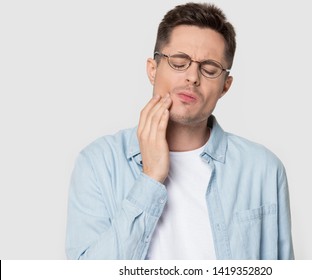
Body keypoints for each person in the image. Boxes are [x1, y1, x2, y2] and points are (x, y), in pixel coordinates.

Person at [66, 2, 294, 260]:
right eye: (178, 62)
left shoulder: (263, 169)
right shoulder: (98, 163)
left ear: (225, 86)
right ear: (153, 70)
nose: (192, 77)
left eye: (209, 69)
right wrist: (150, 179)